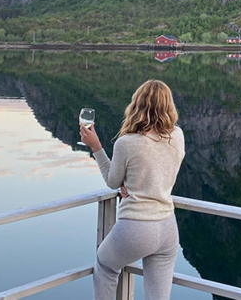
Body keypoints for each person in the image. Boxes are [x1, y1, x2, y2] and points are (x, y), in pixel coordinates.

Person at [79, 79, 185, 300]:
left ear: (137, 105)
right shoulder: (177, 136)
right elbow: (160, 169)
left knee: (105, 267)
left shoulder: (127, 143)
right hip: (167, 227)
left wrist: (96, 147)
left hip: (136, 227)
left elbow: (112, 181)